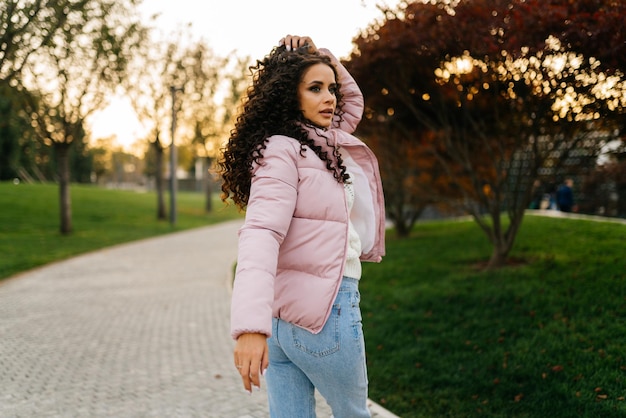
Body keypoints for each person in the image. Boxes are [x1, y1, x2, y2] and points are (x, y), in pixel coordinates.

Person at [217, 35, 386, 417]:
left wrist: (317, 53)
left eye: (331, 88)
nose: (330, 97)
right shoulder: (284, 150)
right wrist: (248, 328)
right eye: (315, 89)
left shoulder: (318, 143)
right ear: (288, 97)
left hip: (282, 324)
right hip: (327, 313)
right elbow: (261, 233)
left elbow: (352, 101)